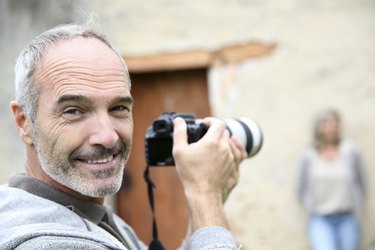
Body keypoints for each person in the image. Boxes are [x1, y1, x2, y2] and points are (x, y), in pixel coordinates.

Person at [0, 22, 247, 250]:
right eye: (73, 111)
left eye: (118, 108)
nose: (108, 137)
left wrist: (205, 206)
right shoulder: (43, 241)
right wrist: (206, 195)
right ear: (24, 122)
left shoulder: (85, 213)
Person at [296, 109, 367, 250]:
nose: (333, 126)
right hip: (320, 219)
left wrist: (358, 208)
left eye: (336, 122)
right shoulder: (308, 156)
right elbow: (300, 188)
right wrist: (309, 207)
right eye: (328, 122)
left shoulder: (351, 151)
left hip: (347, 218)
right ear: (319, 127)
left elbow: (362, 183)